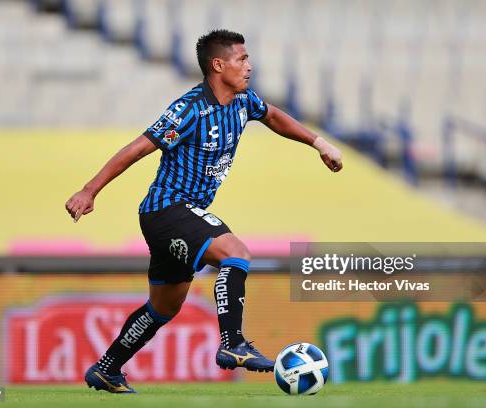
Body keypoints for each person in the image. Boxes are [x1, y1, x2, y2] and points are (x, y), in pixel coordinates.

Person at [65, 29, 343, 394]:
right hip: (167, 209)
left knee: (164, 308)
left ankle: (107, 368)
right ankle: (233, 343)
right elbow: (137, 149)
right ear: (218, 64)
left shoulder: (244, 102)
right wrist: (90, 190)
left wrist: (318, 143)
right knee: (236, 253)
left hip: (178, 214)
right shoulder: (190, 108)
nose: (249, 66)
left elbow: (274, 116)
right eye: (241, 59)